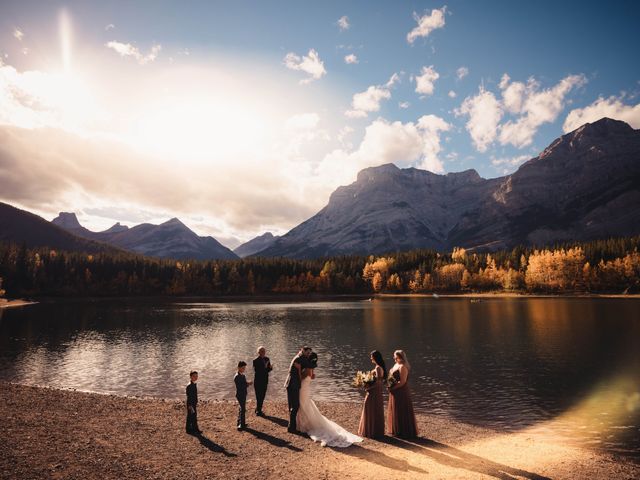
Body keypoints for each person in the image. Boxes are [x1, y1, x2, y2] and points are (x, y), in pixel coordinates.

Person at [297, 350, 363, 447]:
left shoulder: (307, 369)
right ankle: (305, 422)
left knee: (303, 405)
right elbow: (313, 377)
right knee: (306, 405)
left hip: (303, 389)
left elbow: (300, 378)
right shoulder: (311, 368)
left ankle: (304, 424)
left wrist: (298, 369)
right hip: (306, 389)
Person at [387, 350, 418, 439]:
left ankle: (404, 431)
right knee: (396, 409)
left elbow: (403, 382)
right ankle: (397, 429)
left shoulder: (403, 367)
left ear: (400, 357)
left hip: (401, 391)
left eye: (395, 356)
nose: (394, 358)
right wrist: (389, 385)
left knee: (401, 409)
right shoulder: (395, 365)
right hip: (395, 391)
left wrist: (393, 388)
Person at [358, 350, 386, 438]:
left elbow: (378, 381)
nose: (370, 358)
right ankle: (374, 430)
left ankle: (372, 431)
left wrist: (369, 387)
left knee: (370, 407)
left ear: (375, 357)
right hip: (375, 391)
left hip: (374, 391)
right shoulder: (379, 367)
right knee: (373, 408)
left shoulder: (378, 368)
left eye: (371, 356)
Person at [284, 346, 308, 433]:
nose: (308, 355)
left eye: (309, 353)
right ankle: (291, 427)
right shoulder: (298, 359)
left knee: (292, 405)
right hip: (293, 384)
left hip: (289, 383)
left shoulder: (297, 357)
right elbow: (298, 375)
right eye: (307, 352)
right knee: (295, 405)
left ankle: (291, 426)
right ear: (302, 351)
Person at [252, 346, 273, 416]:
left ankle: (258, 409)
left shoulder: (267, 359)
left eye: (264, 351)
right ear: (258, 352)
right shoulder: (255, 361)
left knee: (263, 395)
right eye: (262, 351)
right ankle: (258, 411)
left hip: (265, 380)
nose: (263, 352)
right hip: (258, 381)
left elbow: (268, 370)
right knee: (258, 396)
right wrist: (265, 367)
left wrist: (270, 368)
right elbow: (257, 371)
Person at [234, 361, 252, 431]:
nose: (244, 369)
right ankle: (241, 425)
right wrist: (248, 384)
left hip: (243, 393)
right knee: (243, 409)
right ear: (238, 368)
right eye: (243, 368)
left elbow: (244, 384)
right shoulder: (236, 376)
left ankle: (241, 423)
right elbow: (240, 386)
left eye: (244, 368)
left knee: (242, 408)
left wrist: (247, 383)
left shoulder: (243, 375)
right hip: (240, 394)